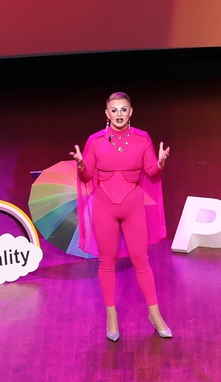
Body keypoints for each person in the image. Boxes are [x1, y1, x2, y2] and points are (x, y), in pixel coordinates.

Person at [70, 92, 172, 341]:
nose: (119, 114)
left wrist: (160, 163)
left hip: (133, 209)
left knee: (141, 260)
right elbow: (86, 178)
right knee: (107, 262)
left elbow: (152, 173)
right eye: (114, 110)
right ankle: (112, 317)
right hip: (105, 209)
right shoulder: (95, 142)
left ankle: (155, 315)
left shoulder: (142, 139)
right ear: (107, 114)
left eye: (123, 109)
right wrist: (82, 167)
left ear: (131, 112)